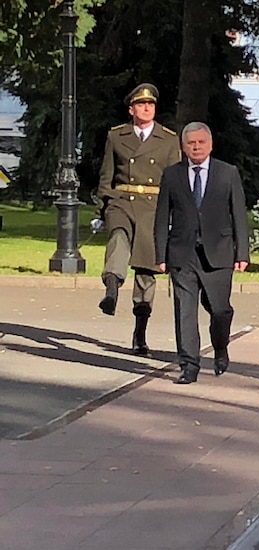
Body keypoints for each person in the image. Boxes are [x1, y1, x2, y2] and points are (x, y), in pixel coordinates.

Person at [154, 122, 250, 385]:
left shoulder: (227, 173)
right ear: (183, 147)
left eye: (201, 142)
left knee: (220, 311)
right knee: (185, 311)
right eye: (191, 143)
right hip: (182, 254)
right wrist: (160, 254)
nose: (196, 147)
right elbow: (162, 216)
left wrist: (242, 252)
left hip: (218, 254)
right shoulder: (172, 175)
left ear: (210, 145)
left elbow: (239, 214)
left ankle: (220, 347)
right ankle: (189, 365)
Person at [95, 83, 181, 355]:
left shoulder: (168, 140)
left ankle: (140, 332)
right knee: (119, 238)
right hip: (122, 201)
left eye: (151, 104)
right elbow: (107, 175)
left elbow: (175, 181)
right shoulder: (116, 136)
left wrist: (174, 215)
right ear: (131, 109)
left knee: (146, 272)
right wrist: (102, 208)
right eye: (141, 104)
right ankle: (112, 287)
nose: (147, 108)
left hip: (153, 207)